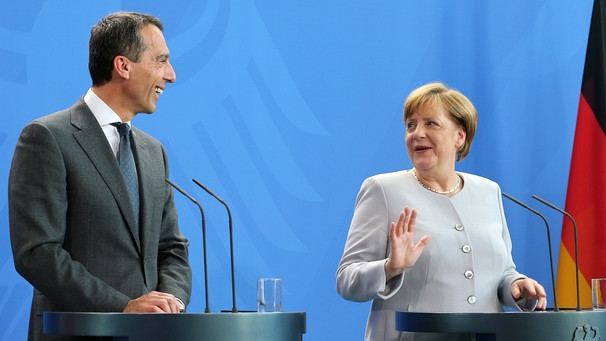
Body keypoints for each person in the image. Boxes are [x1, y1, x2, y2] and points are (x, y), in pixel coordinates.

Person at [8, 12, 192, 340]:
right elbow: (36, 252)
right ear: (123, 66)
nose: (171, 75)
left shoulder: (154, 153)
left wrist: (171, 302)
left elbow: (172, 247)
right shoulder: (47, 137)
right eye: (161, 61)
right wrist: (122, 307)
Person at [336, 82, 547, 341]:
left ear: (460, 135)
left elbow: (503, 271)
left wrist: (515, 286)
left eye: (431, 124)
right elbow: (346, 280)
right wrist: (390, 268)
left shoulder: (488, 191)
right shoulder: (382, 190)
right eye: (410, 125)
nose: (417, 133)